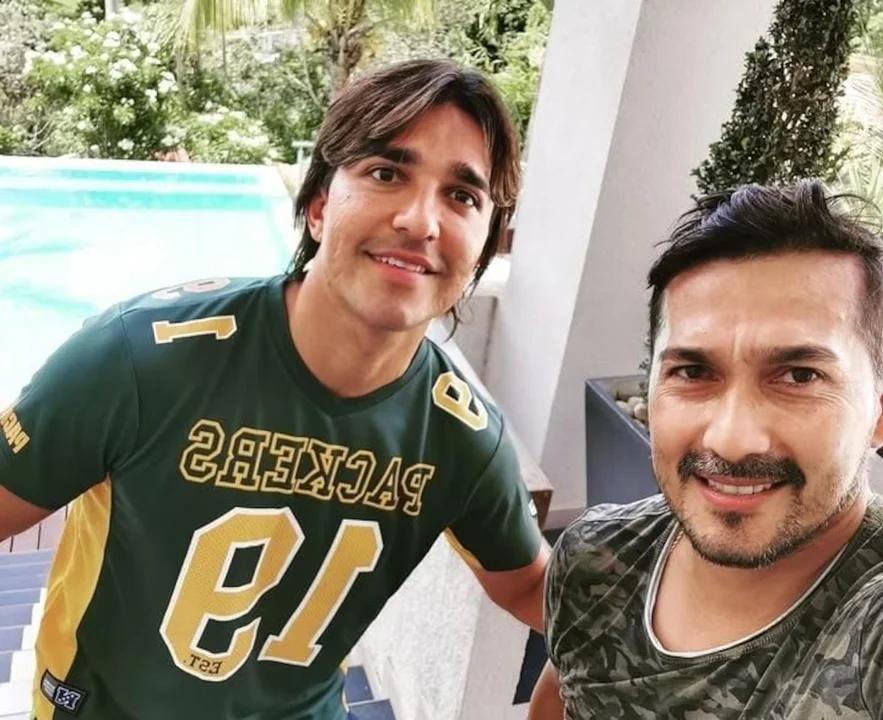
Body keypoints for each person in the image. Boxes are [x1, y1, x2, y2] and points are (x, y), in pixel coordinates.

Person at [0, 58, 549, 720]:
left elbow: (530, 587)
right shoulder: (140, 359)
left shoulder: (463, 439)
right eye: (385, 173)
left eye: (461, 196)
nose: (420, 220)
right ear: (319, 207)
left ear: (484, 244)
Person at [529, 179, 883, 719]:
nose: (731, 439)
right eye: (693, 371)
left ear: (877, 414)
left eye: (799, 375)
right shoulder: (594, 559)